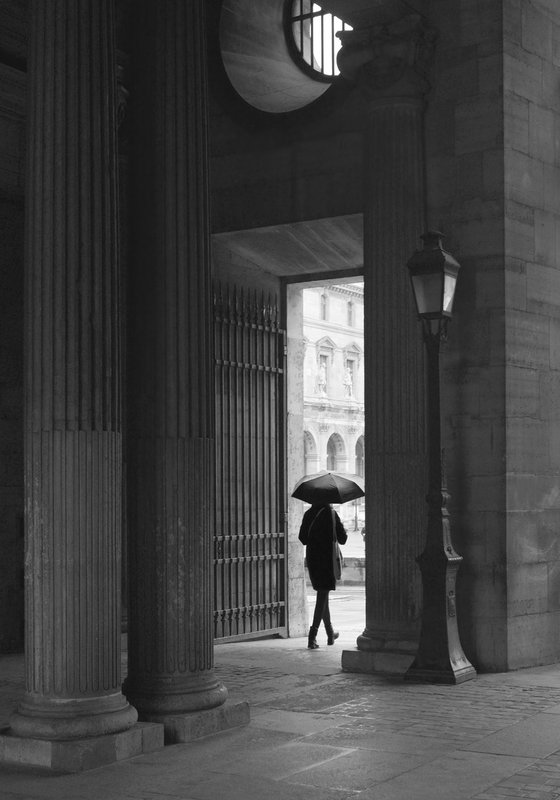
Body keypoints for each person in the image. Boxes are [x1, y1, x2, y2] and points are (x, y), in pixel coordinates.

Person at [298, 502, 348, 649]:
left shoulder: (309, 514)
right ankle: (312, 636)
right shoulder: (331, 514)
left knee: (322, 594)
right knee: (322, 595)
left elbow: (303, 538)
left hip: (313, 558)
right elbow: (343, 539)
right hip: (327, 559)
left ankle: (330, 633)